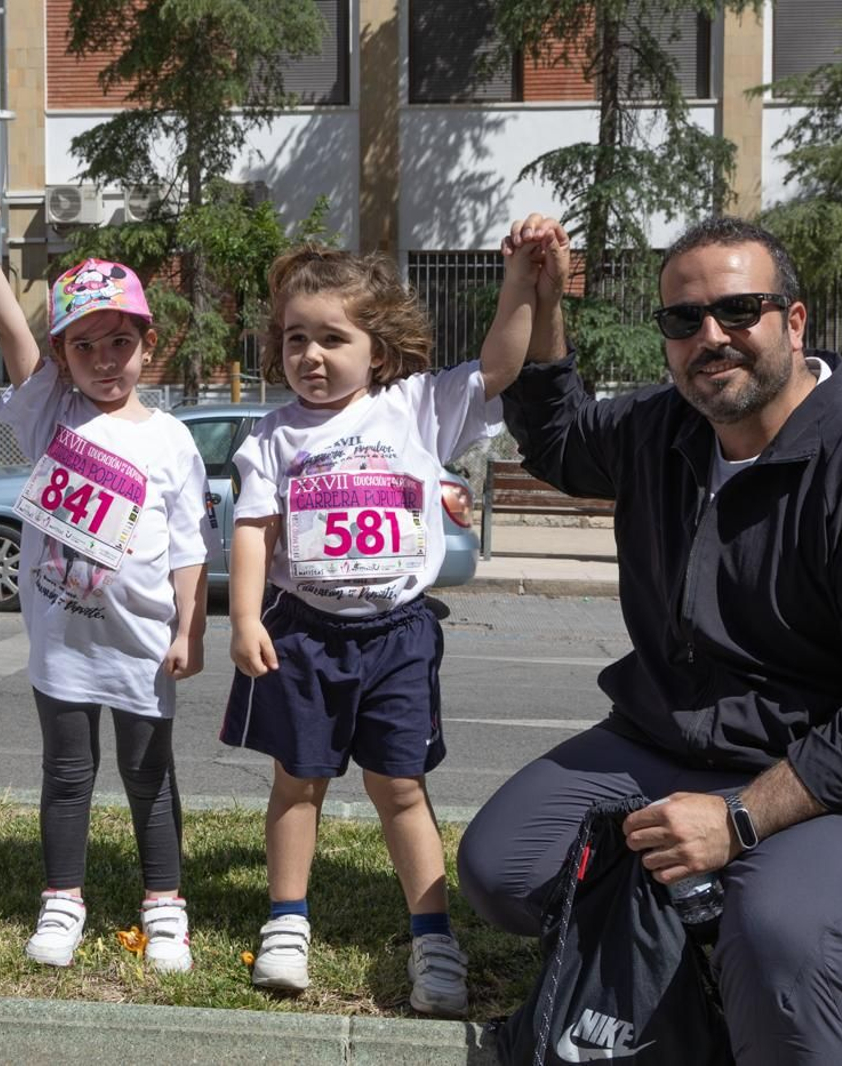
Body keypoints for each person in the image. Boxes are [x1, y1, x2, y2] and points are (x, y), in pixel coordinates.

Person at [458, 215, 842, 1065]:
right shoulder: (663, 430)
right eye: (684, 319)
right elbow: (555, 436)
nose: (712, 337)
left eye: (741, 311)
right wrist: (542, 298)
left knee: (781, 938)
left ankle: (744, 929)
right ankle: (698, 947)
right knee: (503, 866)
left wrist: (739, 821)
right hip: (676, 737)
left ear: (795, 321)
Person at [219, 231, 549, 1016]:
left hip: (397, 635)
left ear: (382, 349)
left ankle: (432, 936)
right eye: (296, 338)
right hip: (302, 631)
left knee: (400, 785)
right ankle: (287, 920)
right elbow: (252, 531)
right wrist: (241, 620)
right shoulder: (272, 435)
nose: (312, 355)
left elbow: (502, 365)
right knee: (297, 783)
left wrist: (517, 283)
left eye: (334, 338)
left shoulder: (417, 407)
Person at [0, 191, 215, 974]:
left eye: (121, 342)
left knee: (148, 777)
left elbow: (188, 543)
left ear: (148, 345)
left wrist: (190, 628)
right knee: (67, 774)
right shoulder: (50, 415)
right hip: (63, 641)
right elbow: (7, 329)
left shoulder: (171, 440)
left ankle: (165, 906)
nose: (106, 360)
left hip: (140, 641)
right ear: (62, 355)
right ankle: (62, 900)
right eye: (86, 346)